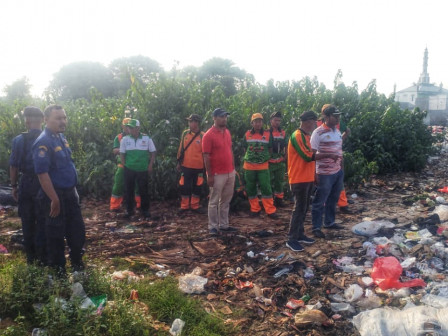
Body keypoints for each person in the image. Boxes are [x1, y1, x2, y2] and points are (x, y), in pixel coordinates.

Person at [32, 105, 85, 274]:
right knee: (55, 234)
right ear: (46, 120)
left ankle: (77, 265)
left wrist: (73, 189)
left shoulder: (60, 137)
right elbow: (42, 173)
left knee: (76, 230)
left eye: (64, 117)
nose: (63, 121)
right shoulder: (43, 142)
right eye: (58, 118)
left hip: (69, 194)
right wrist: (54, 199)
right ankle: (58, 271)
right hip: (54, 196)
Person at [9, 106, 46, 265]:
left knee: (27, 220)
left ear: (27, 121)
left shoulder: (19, 140)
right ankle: (44, 257)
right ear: (43, 120)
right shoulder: (49, 137)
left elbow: (14, 166)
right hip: (46, 182)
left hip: (27, 182)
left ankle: (31, 259)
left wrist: (14, 186)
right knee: (43, 219)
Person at [285, 111, 319, 251]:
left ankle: (300, 234)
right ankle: (291, 238)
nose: (316, 125)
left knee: (304, 208)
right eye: (314, 121)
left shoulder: (306, 136)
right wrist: (328, 155)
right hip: (299, 178)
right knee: (298, 208)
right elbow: (307, 156)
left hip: (307, 177)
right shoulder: (297, 136)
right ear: (308, 121)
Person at [310, 104, 344, 239]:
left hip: (337, 171)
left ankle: (329, 222)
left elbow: (339, 150)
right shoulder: (318, 133)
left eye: (338, 116)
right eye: (335, 116)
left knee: (333, 198)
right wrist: (313, 174)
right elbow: (312, 155)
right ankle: (316, 227)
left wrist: (341, 168)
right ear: (326, 117)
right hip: (324, 174)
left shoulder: (337, 131)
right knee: (319, 201)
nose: (337, 119)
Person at [202, 108, 237, 235]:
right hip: (217, 174)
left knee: (226, 200)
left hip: (229, 172)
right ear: (214, 118)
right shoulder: (208, 135)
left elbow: (230, 150)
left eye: (225, 117)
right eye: (222, 117)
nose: (224, 119)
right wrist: (209, 175)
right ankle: (212, 227)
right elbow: (206, 156)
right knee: (214, 201)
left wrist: (233, 168)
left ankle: (224, 225)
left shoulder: (227, 132)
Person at [243, 113, 278, 218]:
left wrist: (264, 157)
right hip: (249, 166)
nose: (258, 123)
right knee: (251, 188)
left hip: (263, 166)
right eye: (256, 121)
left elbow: (271, 148)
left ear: (262, 122)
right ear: (252, 123)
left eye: (260, 121)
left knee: (266, 187)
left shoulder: (268, 134)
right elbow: (245, 148)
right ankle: (255, 209)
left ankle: (270, 210)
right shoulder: (247, 134)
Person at [119, 119, 156, 219]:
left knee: (143, 190)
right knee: (129, 190)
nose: (130, 129)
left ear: (138, 128)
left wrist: (150, 165)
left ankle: (145, 210)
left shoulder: (147, 138)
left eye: (132, 127)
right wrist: (124, 164)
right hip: (129, 169)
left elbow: (153, 152)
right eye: (129, 127)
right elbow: (122, 153)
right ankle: (129, 210)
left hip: (142, 169)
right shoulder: (125, 139)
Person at [110, 117, 141, 211]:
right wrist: (124, 149)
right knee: (118, 185)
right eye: (126, 126)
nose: (128, 128)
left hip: (136, 165)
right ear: (123, 126)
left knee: (138, 185)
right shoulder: (119, 137)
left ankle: (140, 205)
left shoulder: (139, 136)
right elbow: (115, 150)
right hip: (123, 165)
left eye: (130, 126)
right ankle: (115, 206)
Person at [176, 114, 205, 213]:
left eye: (193, 121)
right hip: (186, 165)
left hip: (199, 166)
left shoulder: (202, 135)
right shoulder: (185, 134)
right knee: (184, 186)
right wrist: (179, 162)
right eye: (189, 121)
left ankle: (195, 206)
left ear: (197, 123)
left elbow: (205, 152)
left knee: (198, 186)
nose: (191, 123)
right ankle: (184, 206)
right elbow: (181, 148)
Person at [268, 111, 287, 207]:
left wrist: (285, 157)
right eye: (275, 120)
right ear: (271, 121)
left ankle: (279, 199)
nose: (277, 122)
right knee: (269, 181)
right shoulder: (267, 132)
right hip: (270, 161)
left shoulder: (282, 132)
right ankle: (270, 201)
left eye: (279, 120)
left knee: (279, 181)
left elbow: (286, 145)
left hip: (280, 160)